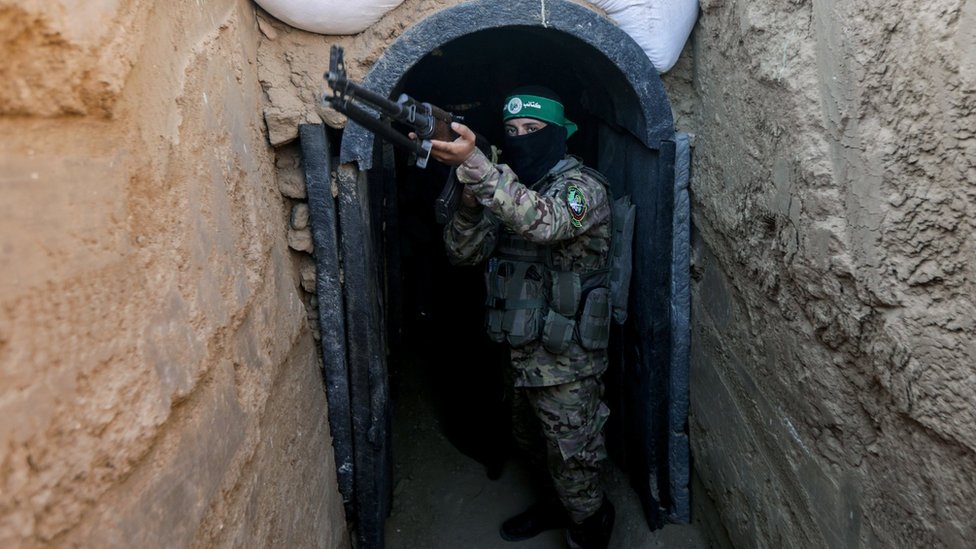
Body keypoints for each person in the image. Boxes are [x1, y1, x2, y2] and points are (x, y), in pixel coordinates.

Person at [426, 86, 616, 549]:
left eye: (532, 128)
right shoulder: (505, 190)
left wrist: (478, 167)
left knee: (574, 457)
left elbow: (546, 223)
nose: (521, 138)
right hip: (519, 350)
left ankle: (589, 526)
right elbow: (463, 254)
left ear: (559, 132)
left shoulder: (582, 188)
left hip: (568, 359)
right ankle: (554, 506)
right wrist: (470, 204)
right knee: (530, 442)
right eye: (512, 131)